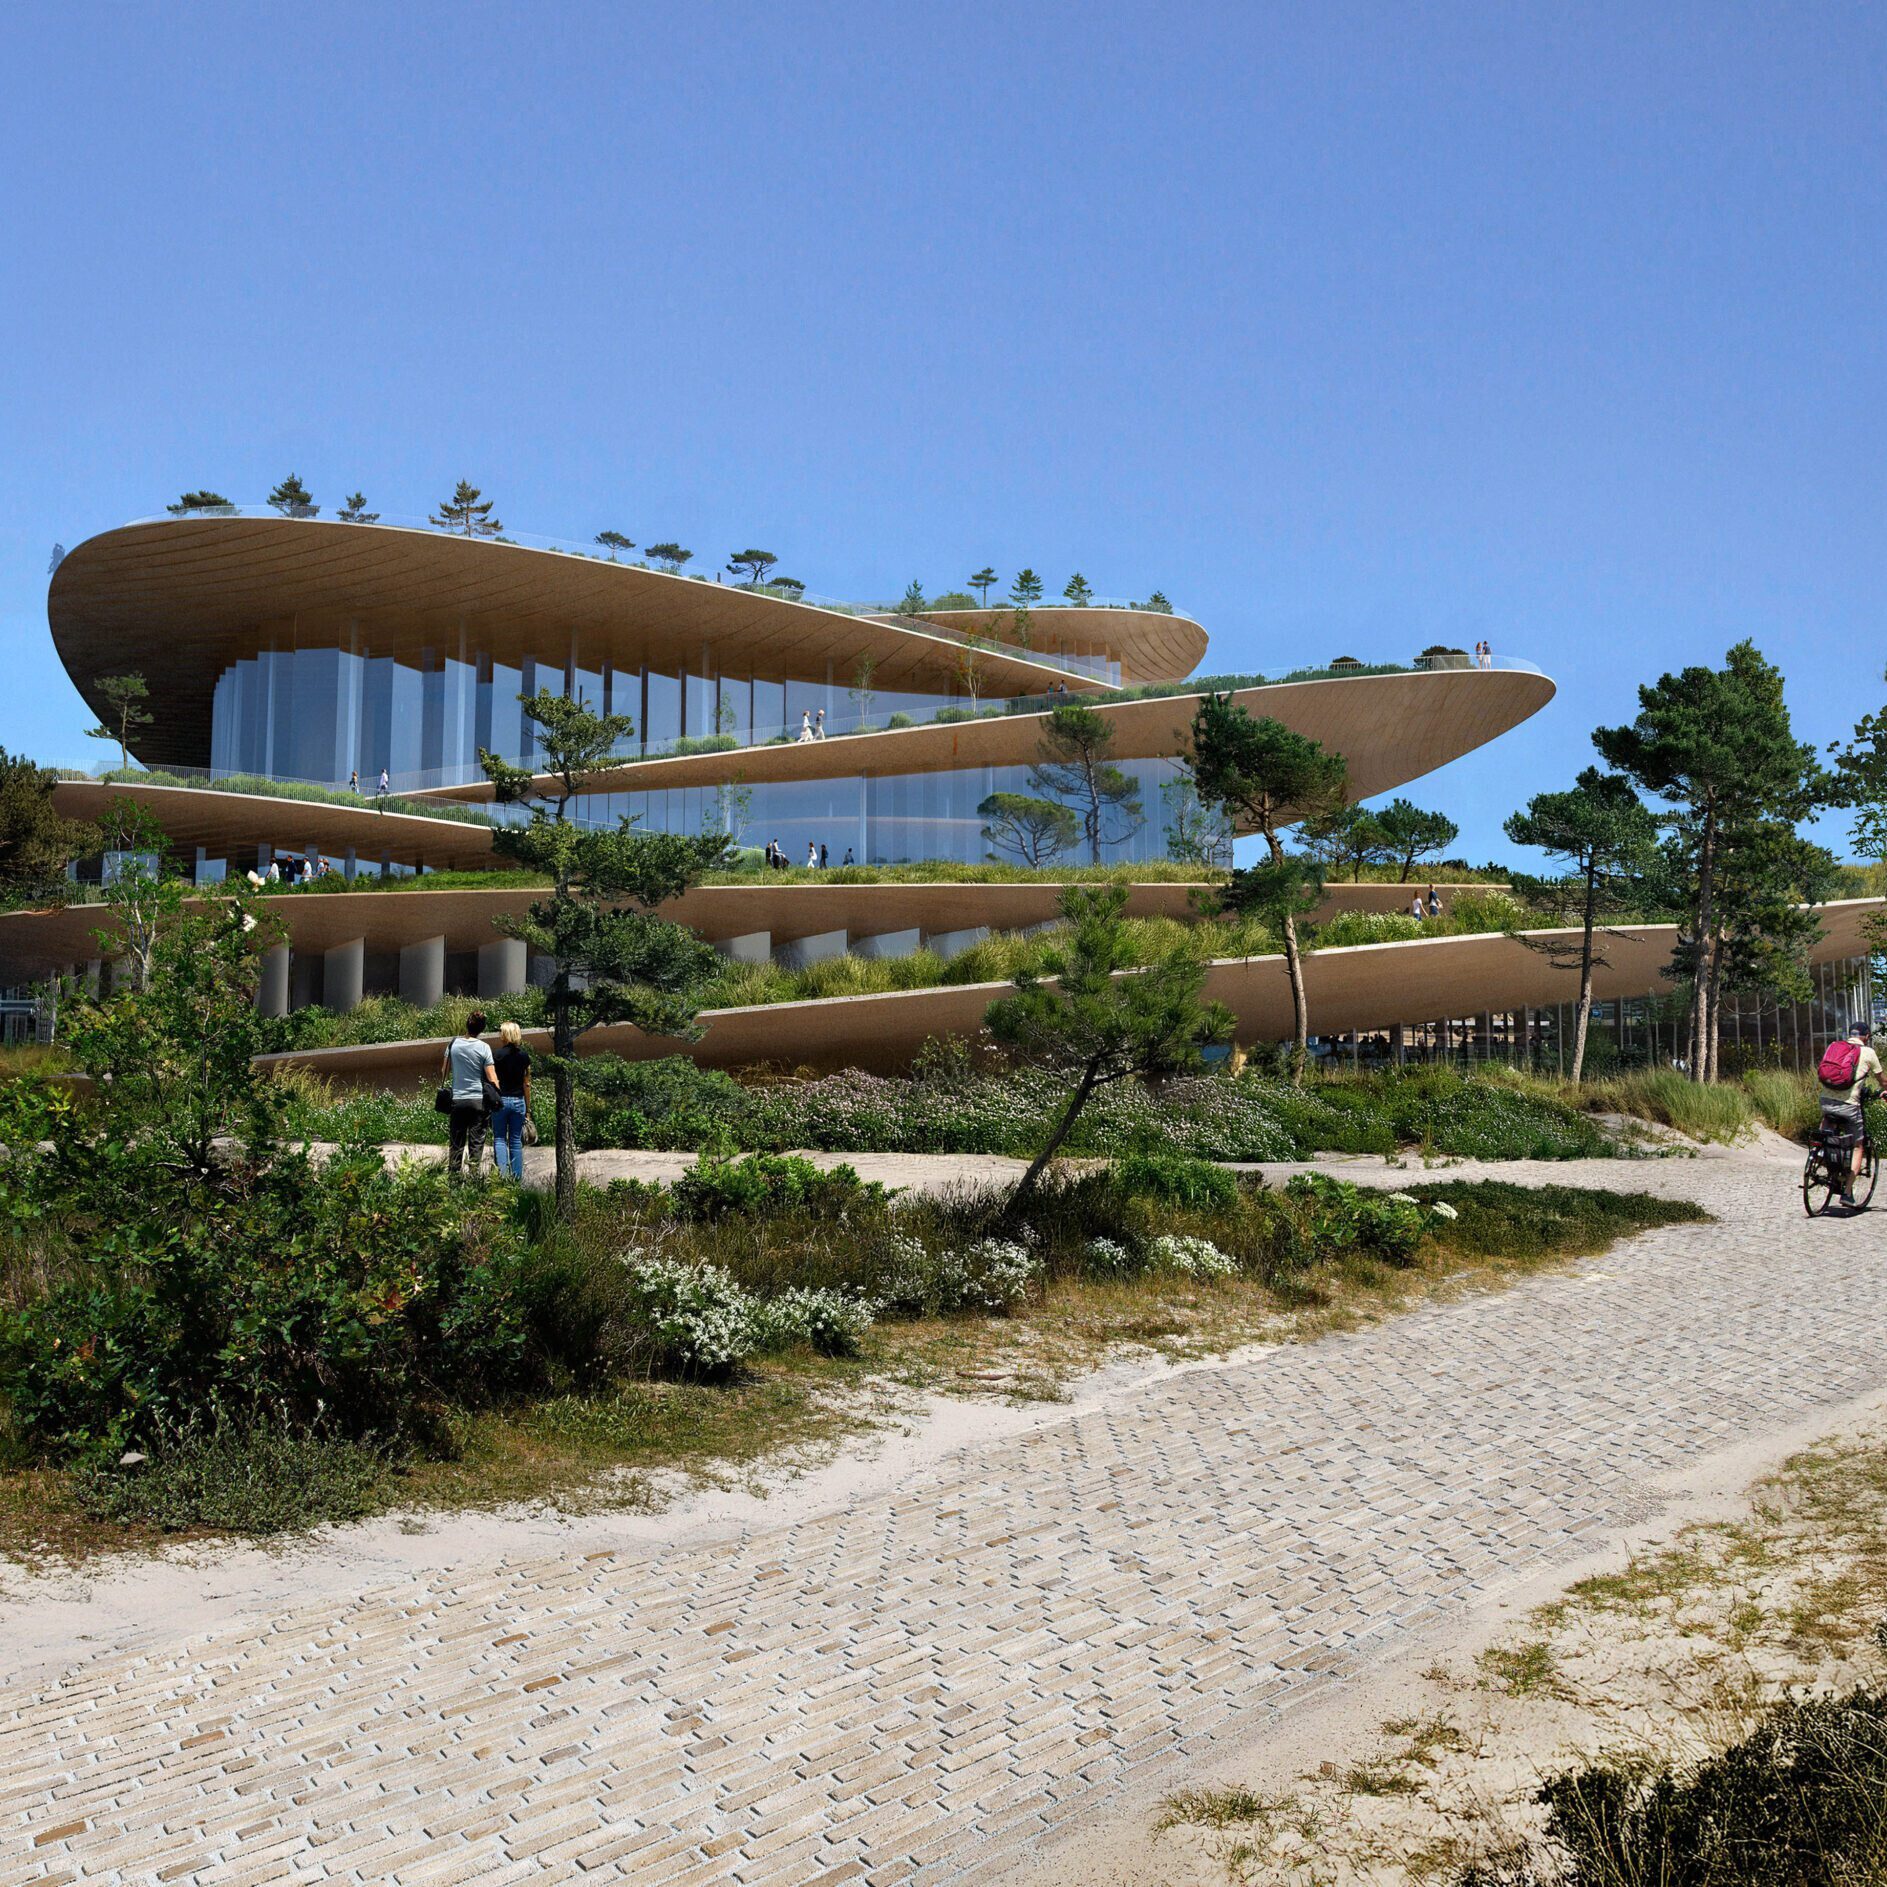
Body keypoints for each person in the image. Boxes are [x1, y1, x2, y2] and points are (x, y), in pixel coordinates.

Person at [1817, 1022, 1882, 1202]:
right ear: (1867, 1036)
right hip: (1850, 1105)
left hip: (1826, 1101)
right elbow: (1882, 1080)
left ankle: (1819, 1153)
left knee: (1825, 1131)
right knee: (1857, 1145)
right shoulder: (1868, 1052)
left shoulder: (1834, 1046)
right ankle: (1846, 1192)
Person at [442, 1010, 498, 1179]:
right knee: (476, 1143)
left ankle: (454, 1179)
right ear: (481, 1029)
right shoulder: (484, 1047)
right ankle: (474, 1179)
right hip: (477, 1101)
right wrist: (498, 1094)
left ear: (466, 1025)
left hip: (458, 1100)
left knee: (456, 1142)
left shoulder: (453, 1044)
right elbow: (491, 1076)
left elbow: (444, 1070)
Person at [490, 1019, 533, 1180]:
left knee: (499, 1138)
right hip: (518, 1101)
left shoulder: (496, 1055)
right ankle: (517, 1179)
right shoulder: (524, 1056)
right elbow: (526, 1083)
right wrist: (528, 1109)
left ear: (505, 1035)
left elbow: (492, 1079)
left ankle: (502, 1178)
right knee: (515, 1140)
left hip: (500, 1101)